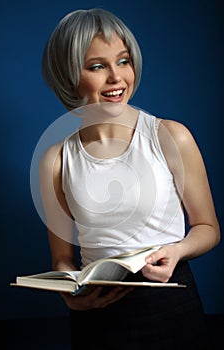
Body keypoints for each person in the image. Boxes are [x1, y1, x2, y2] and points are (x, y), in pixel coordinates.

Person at [39, 8, 220, 350]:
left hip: (170, 301)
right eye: (97, 66)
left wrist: (177, 250)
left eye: (123, 61)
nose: (116, 77)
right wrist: (69, 295)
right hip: (97, 311)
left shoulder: (171, 136)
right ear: (68, 76)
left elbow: (208, 229)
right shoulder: (56, 161)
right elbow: (62, 259)